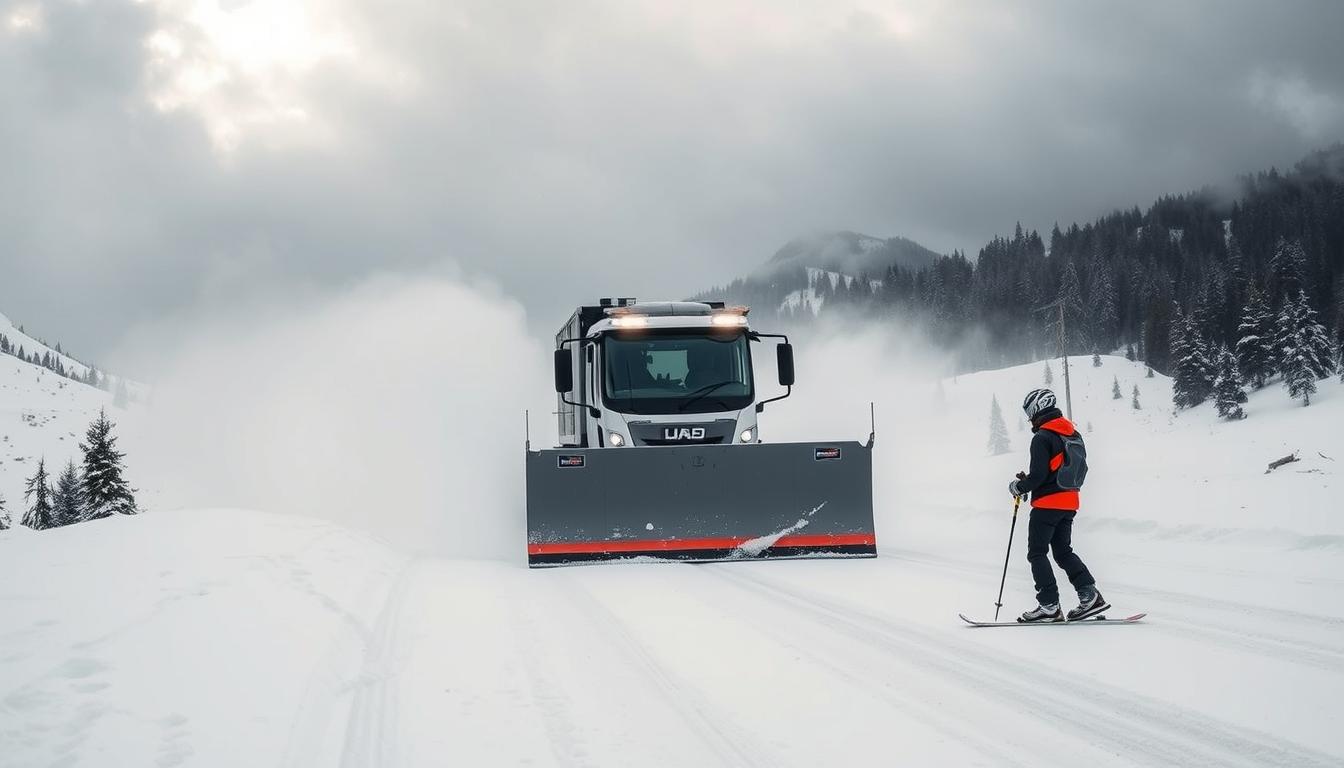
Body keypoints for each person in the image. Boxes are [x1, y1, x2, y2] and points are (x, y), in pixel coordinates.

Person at [1008, 389, 1109, 623]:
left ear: (1036, 409)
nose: (1030, 419)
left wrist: (1018, 486)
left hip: (1047, 505)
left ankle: (1049, 605)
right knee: (1063, 551)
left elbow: (1039, 477)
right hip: (1069, 502)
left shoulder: (1042, 437)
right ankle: (1089, 595)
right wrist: (1031, 481)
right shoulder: (1072, 433)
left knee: (1037, 552)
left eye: (1029, 413)